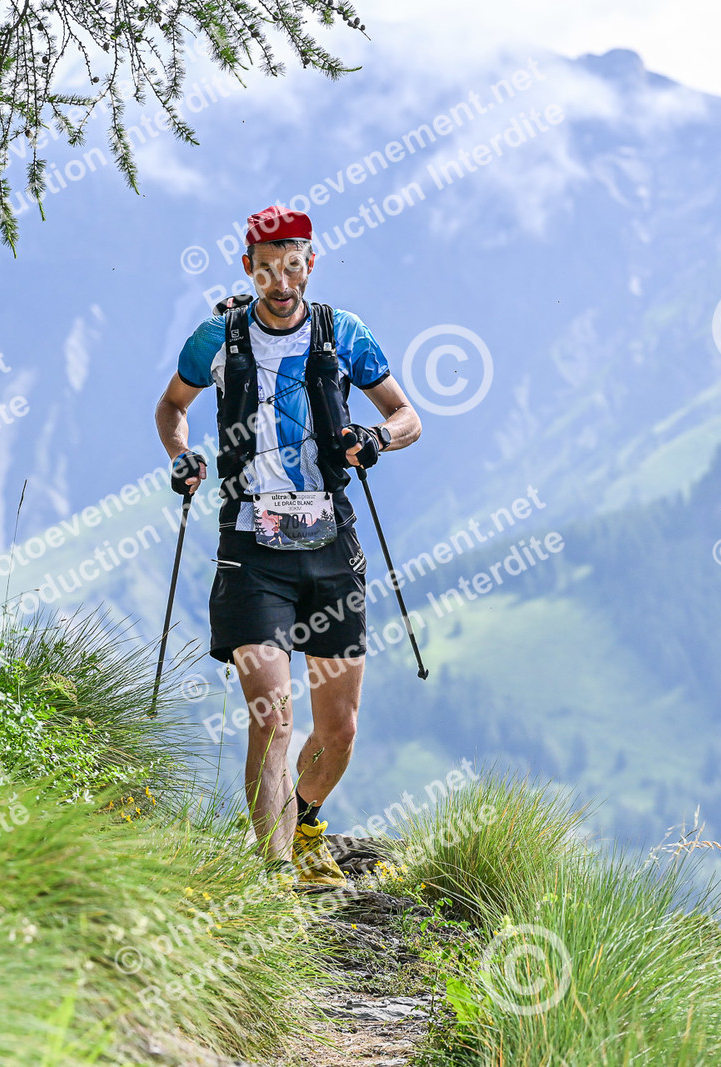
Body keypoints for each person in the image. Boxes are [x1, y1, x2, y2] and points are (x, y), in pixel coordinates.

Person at [154, 205, 421, 885]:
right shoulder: (217, 337)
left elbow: (407, 415)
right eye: (267, 269)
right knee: (272, 718)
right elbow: (172, 406)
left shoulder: (342, 333)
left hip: (330, 543)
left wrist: (377, 438)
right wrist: (181, 455)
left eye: (293, 266)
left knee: (339, 732)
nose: (281, 281)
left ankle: (303, 822)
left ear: (310, 263)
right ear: (248, 267)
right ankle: (272, 881)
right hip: (252, 547)